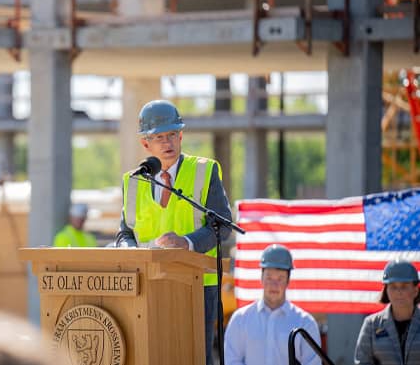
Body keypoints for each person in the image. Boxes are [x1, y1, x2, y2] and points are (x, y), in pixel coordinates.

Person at [115, 99, 232, 365]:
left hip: (198, 286)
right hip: (148, 284)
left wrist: (187, 243)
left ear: (181, 136)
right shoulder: (131, 181)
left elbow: (222, 224)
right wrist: (131, 254)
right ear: (146, 144)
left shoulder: (205, 170)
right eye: (158, 137)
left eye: (171, 135)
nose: (167, 143)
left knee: (193, 357)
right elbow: (125, 233)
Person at [224, 244, 321, 365]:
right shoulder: (240, 319)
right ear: (261, 278)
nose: (274, 285)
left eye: (280, 278)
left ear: (288, 281)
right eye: (269, 277)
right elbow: (231, 361)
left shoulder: (306, 323)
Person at [354, 259, 420, 365]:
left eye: (404, 286)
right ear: (386, 290)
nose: (398, 292)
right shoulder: (371, 325)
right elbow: (362, 362)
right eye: (393, 287)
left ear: (415, 290)